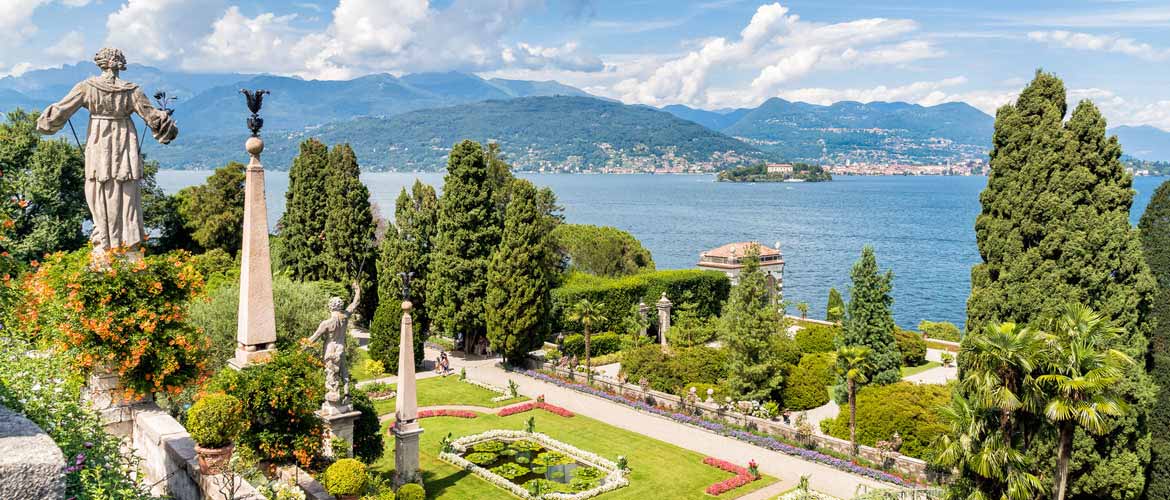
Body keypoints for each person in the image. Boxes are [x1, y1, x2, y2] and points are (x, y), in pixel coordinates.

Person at [35, 47, 178, 263]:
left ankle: (105, 239)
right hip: (122, 139)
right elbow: (154, 119)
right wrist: (166, 123)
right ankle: (125, 240)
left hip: (100, 141)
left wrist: (48, 120)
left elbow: (61, 111)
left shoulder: (87, 87)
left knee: (99, 188)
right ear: (116, 62)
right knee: (125, 188)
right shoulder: (132, 91)